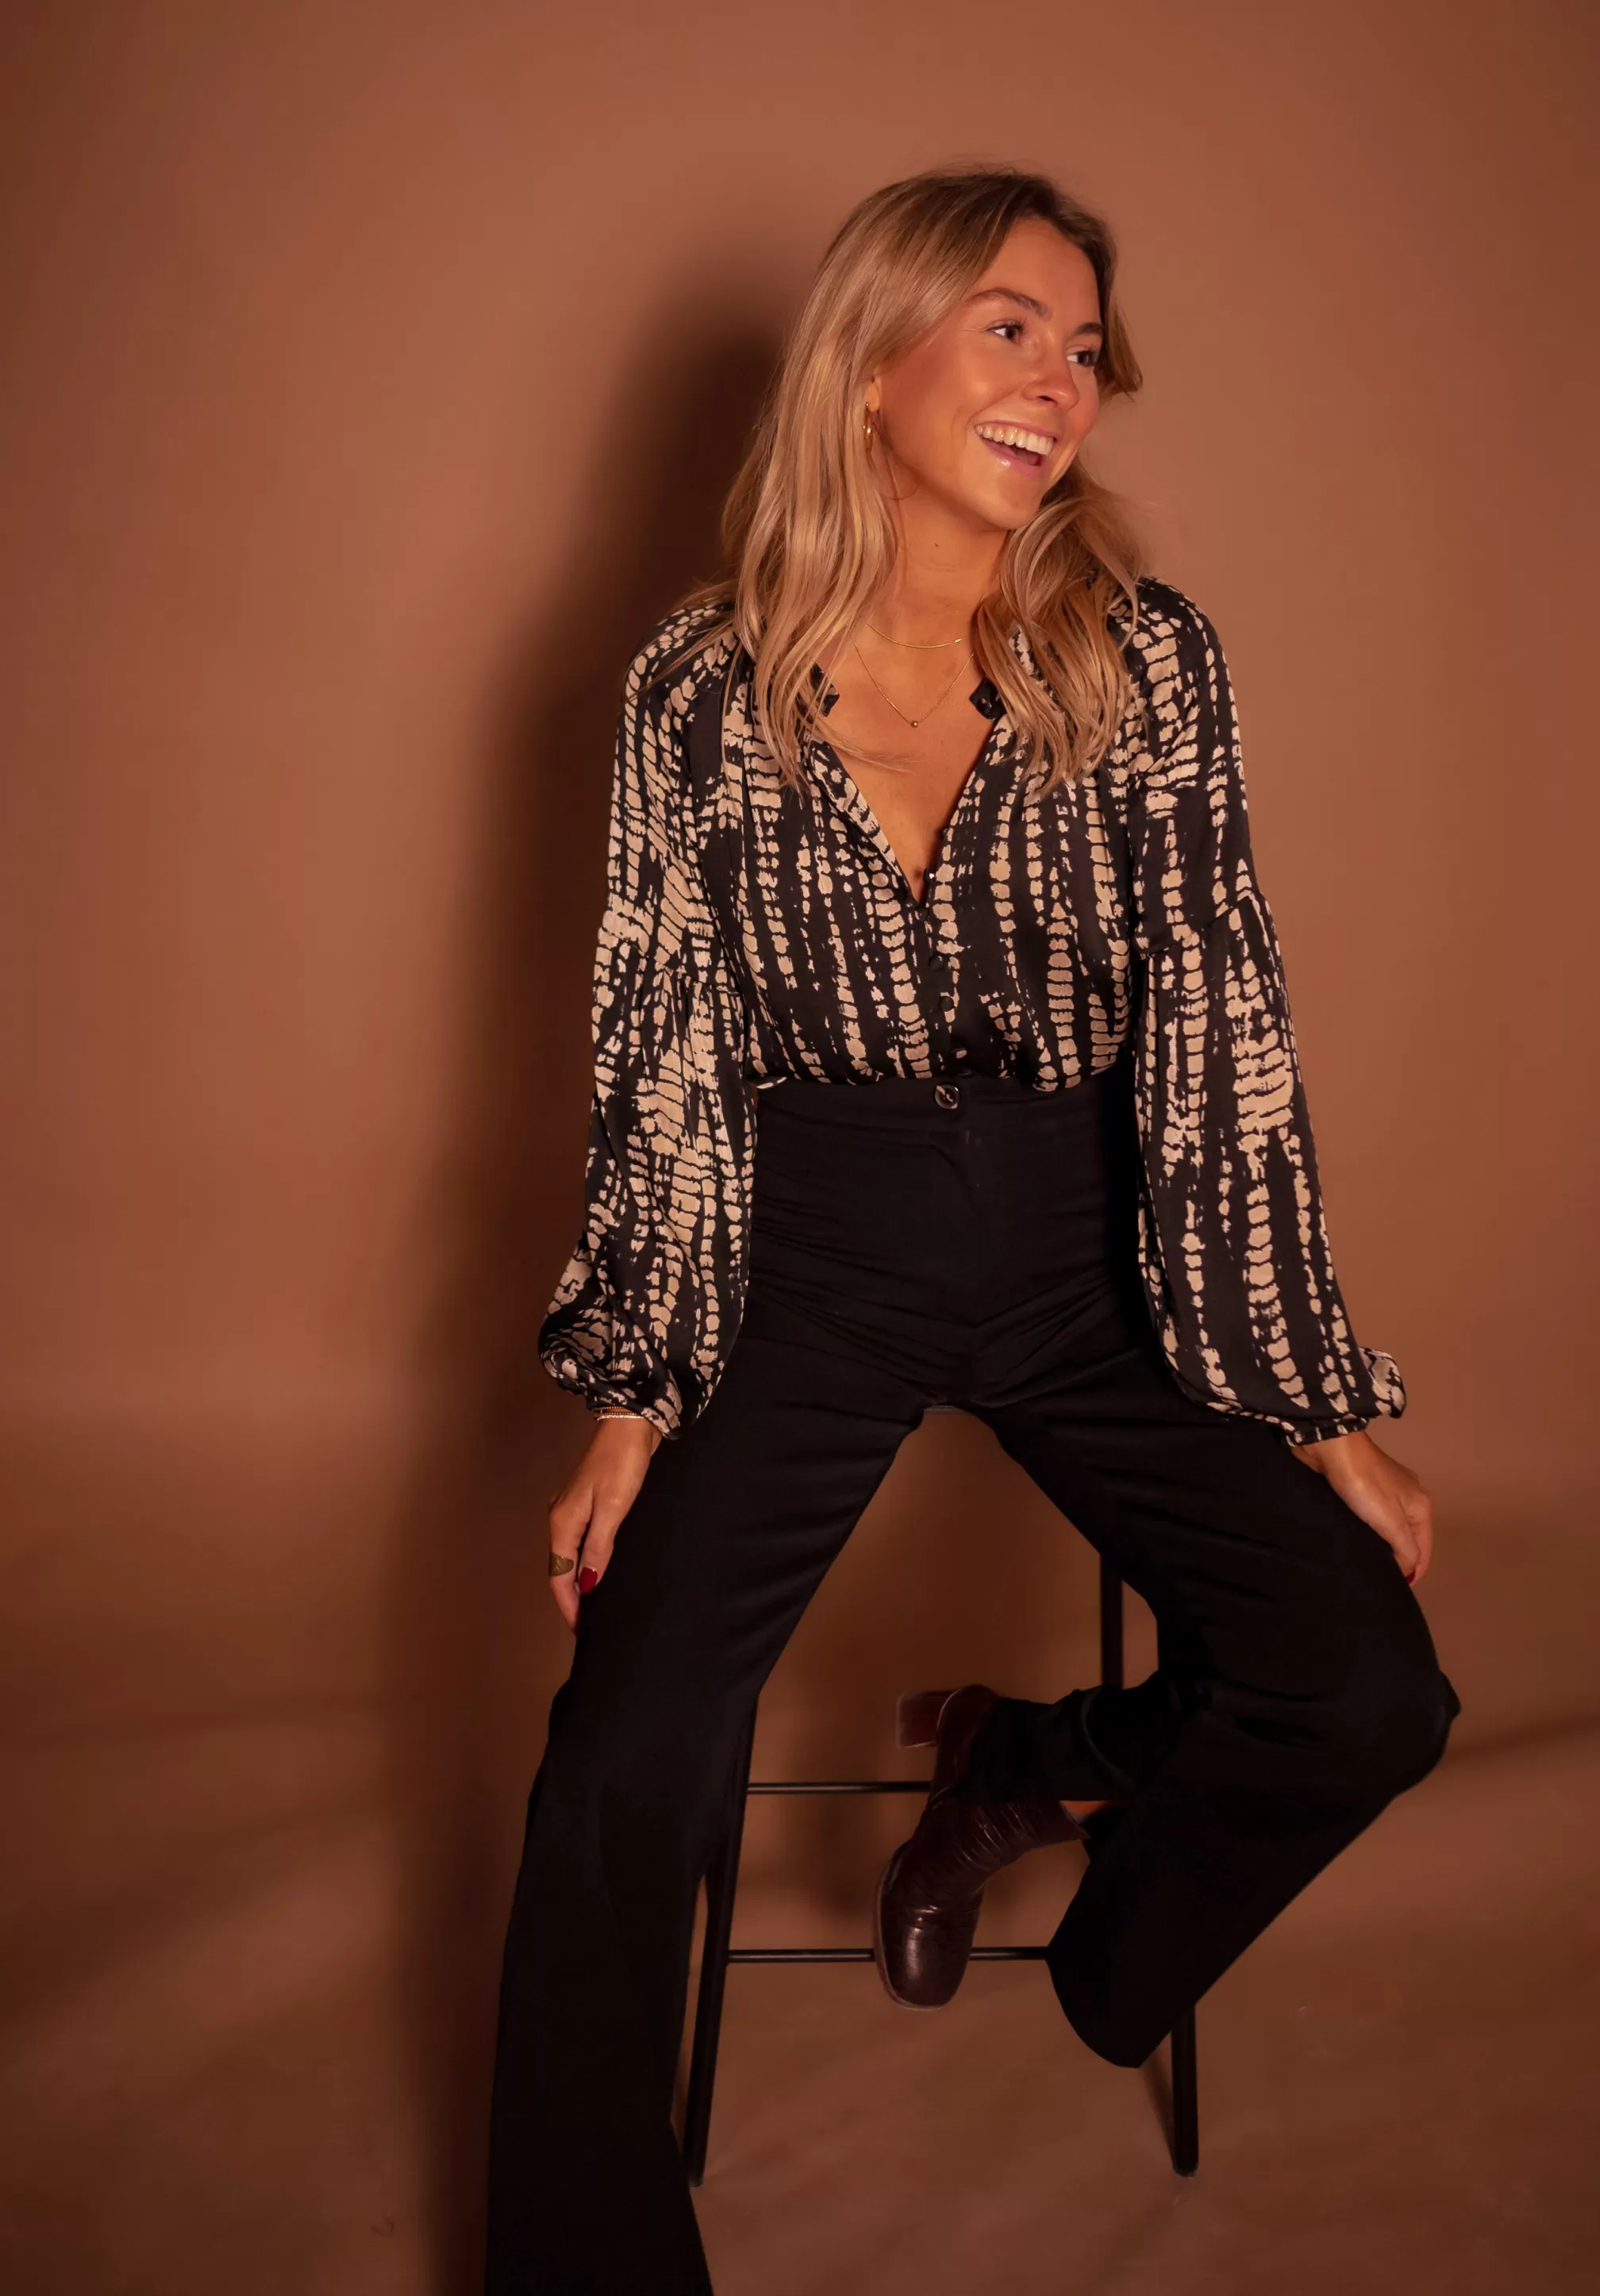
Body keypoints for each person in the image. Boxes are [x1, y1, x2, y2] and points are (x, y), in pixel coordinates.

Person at [483, 164, 1460, 2296]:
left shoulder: (1142, 662)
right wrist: (635, 1399)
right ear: (871, 362)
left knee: (1371, 1686)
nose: (1059, 380)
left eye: (1084, 345)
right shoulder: (700, 687)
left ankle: (1062, 1822)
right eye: (1011, 326)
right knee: (622, 1758)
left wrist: (1318, 1409)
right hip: (803, 1265)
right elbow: (663, 1047)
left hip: (1090, 1251)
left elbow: (1221, 1026)